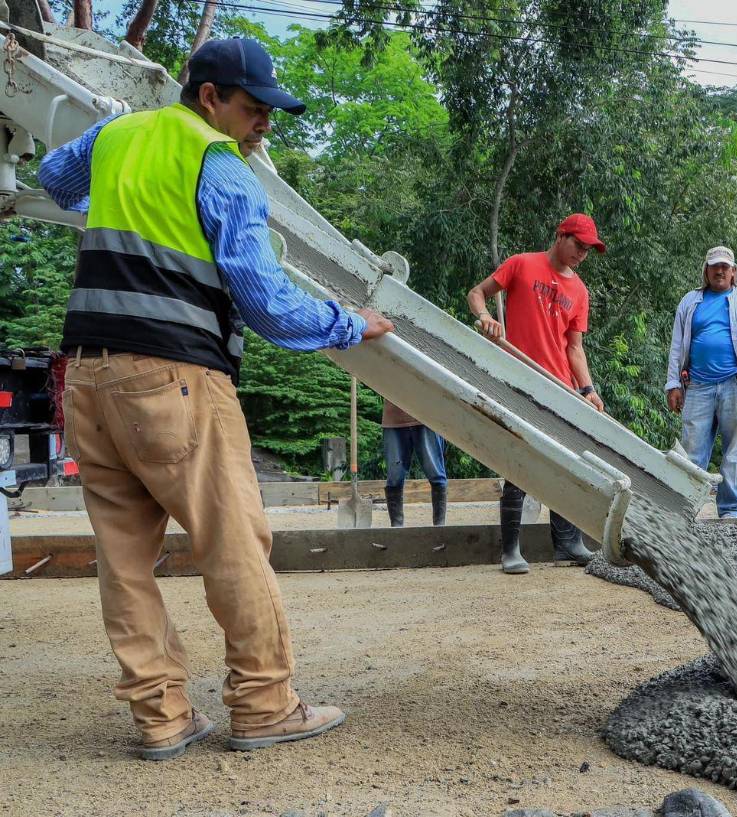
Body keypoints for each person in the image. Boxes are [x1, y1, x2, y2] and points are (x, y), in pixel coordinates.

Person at [38, 37, 394, 760]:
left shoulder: (116, 136)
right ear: (209, 97)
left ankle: (161, 718)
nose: (265, 122)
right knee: (233, 542)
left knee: (123, 560)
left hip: (89, 381)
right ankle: (264, 704)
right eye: (254, 107)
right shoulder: (221, 167)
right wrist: (350, 323)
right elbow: (267, 305)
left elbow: (52, 179)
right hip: (176, 380)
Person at [466, 213, 605, 574]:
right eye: (578, 245)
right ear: (560, 235)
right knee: (520, 459)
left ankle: (567, 542)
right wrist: (485, 317)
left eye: (588, 250)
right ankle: (510, 549)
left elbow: (574, 347)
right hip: (520, 380)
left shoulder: (580, 291)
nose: (582, 254)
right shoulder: (521, 264)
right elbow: (477, 293)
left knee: (567, 462)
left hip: (560, 387)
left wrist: (588, 389)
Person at [665, 246, 737, 517]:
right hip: (697, 386)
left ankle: (730, 510)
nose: (720, 271)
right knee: (691, 451)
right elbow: (677, 346)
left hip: (736, 385)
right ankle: (685, 509)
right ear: (706, 271)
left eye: (725, 266)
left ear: (734, 272)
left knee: (735, 451)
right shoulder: (690, 301)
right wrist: (673, 384)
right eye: (714, 266)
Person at [382, 400, 447, 526]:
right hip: (394, 417)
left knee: (436, 475)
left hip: (427, 416)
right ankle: (396, 529)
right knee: (394, 478)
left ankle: (440, 529)